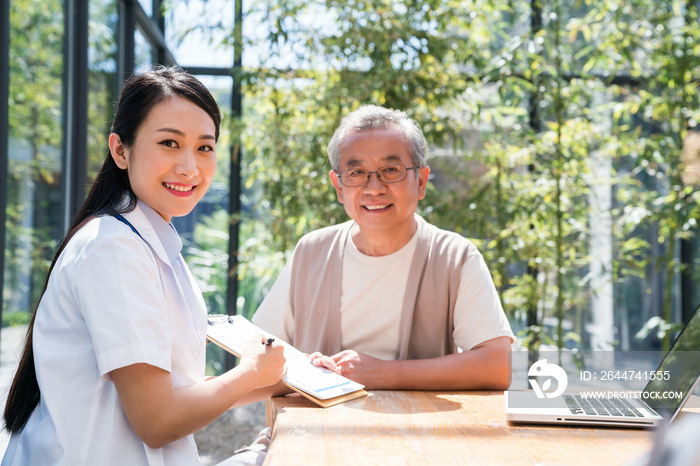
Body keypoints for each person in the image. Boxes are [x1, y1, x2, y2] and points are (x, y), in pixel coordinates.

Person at [2, 66, 287, 466]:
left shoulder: (152, 246)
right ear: (120, 150)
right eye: (170, 143)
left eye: (205, 148)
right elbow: (158, 420)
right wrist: (251, 372)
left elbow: (176, 393)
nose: (190, 167)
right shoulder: (114, 249)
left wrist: (284, 379)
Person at [253, 105, 514, 390]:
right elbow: (259, 348)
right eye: (356, 172)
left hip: (420, 431)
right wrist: (308, 368)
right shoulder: (312, 251)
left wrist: (384, 374)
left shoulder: (454, 256)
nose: (374, 188)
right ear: (339, 187)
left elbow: (498, 365)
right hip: (315, 430)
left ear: (422, 181)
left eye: (391, 170)